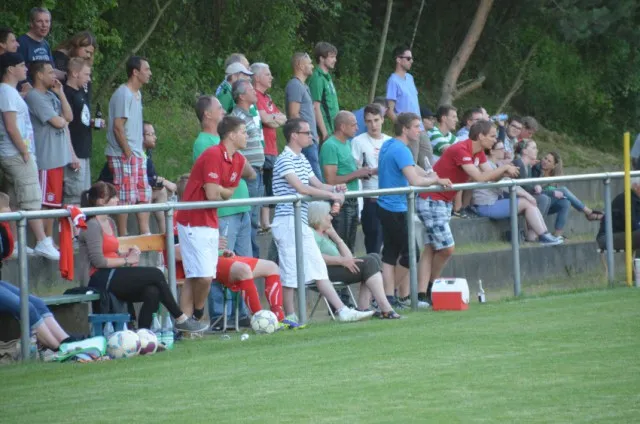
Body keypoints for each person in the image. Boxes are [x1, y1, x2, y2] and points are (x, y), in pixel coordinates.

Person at [271, 118, 374, 323]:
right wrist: (331, 195)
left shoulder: (301, 158)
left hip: (299, 220)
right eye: (306, 133)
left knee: (318, 266)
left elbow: (317, 184)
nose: (311, 136)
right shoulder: (284, 159)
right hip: (287, 220)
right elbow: (301, 188)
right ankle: (289, 316)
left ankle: (342, 310)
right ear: (294, 135)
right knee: (290, 270)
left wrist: (335, 189)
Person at [79, 181, 207, 332]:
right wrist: (127, 260)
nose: (117, 200)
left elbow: (112, 252)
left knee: (153, 291)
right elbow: (99, 262)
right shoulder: (92, 225)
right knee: (156, 274)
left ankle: (143, 334)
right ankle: (180, 318)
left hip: (113, 274)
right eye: (113, 197)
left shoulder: (110, 222)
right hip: (99, 277)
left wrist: (127, 254)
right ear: (101, 201)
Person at [417, 121, 519, 305]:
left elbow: (490, 176)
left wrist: (503, 173)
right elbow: (480, 177)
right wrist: (504, 168)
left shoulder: (478, 153)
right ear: (480, 136)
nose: (495, 139)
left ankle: (421, 295)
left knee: (431, 247)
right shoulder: (461, 150)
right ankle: (432, 286)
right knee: (447, 248)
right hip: (431, 200)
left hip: (443, 201)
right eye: (492, 136)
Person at [377, 112, 452, 308]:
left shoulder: (389, 144)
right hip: (394, 209)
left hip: (386, 206)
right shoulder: (401, 149)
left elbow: (412, 168)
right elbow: (415, 180)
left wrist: (430, 175)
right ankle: (385, 296)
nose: (420, 130)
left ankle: (388, 298)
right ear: (405, 129)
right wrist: (434, 180)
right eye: (416, 127)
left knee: (390, 255)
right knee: (411, 254)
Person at [176, 116, 248, 320]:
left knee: (196, 276)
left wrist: (219, 189)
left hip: (210, 221)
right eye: (243, 132)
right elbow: (211, 195)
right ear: (231, 135)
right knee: (204, 276)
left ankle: (187, 325)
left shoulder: (239, 160)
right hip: (192, 221)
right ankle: (198, 312)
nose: (247, 136)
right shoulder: (213, 154)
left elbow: (228, 193)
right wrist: (218, 190)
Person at [191, 96, 255, 325]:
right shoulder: (204, 143)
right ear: (207, 114)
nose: (224, 111)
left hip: (241, 207)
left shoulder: (229, 145)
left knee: (244, 263)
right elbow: (213, 183)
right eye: (219, 108)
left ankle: (241, 314)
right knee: (220, 264)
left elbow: (250, 172)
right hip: (224, 213)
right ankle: (220, 315)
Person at [0, 52, 58, 259]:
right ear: (10, 69)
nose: (26, 69)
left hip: (15, 153)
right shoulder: (6, 92)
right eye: (22, 65)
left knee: (15, 200)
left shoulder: (10, 92)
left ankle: (14, 243)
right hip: (16, 154)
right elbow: (10, 126)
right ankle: (42, 241)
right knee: (32, 197)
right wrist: (24, 151)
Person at [307, 201, 401, 319]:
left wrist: (335, 236)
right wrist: (341, 261)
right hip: (323, 273)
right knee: (370, 262)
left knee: (374, 257)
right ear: (319, 216)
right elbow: (314, 256)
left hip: (334, 269)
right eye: (328, 214)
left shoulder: (325, 235)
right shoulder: (311, 234)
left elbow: (349, 257)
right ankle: (385, 308)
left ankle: (364, 308)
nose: (331, 217)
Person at [472, 140, 562, 245]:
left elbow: (507, 182)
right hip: (486, 205)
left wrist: (527, 195)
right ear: (492, 152)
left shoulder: (494, 165)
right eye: (501, 149)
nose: (504, 151)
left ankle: (544, 235)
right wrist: (527, 195)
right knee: (528, 202)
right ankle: (543, 236)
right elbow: (503, 184)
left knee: (530, 202)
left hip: (493, 203)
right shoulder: (487, 165)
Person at [25, 60, 77, 238]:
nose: (55, 76)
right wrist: (62, 120)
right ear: (39, 75)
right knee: (46, 202)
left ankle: (49, 239)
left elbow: (69, 117)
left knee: (53, 202)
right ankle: (44, 240)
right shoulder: (34, 96)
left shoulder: (52, 95)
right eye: (50, 73)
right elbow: (58, 122)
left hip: (58, 158)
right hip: (47, 158)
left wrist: (61, 93)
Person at [105, 56, 152, 236]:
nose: (150, 73)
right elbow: (118, 127)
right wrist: (128, 152)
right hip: (123, 154)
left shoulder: (137, 94)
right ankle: (123, 236)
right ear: (135, 72)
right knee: (125, 196)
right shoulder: (123, 94)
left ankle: (145, 234)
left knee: (143, 194)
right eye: (146, 69)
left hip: (137, 153)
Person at [320, 111, 372, 251]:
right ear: (342, 127)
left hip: (352, 198)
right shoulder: (330, 145)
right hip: (339, 202)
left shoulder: (348, 144)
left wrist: (361, 173)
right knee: (340, 246)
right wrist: (357, 173)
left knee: (350, 245)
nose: (357, 128)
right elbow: (330, 180)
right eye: (353, 125)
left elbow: (348, 172)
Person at [230, 79, 265, 257]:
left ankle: (253, 257)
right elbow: (234, 147)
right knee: (249, 219)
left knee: (254, 219)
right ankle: (251, 258)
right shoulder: (236, 118)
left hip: (257, 172)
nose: (255, 91)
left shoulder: (249, 115)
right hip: (248, 175)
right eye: (251, 89)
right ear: (242, 96)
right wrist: (248, 169)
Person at [351, 103, 391, 254]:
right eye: (369, 121)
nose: (373, 125)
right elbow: (354, 170)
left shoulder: (390, 141)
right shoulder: (358, 141)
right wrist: (372, 171)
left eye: (376, 120)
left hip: (389, 197)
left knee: (392, 244)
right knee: (374, 242)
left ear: (382, 119)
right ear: (364, 122)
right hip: (370, 197)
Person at [251, 62, 287, 233]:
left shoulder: (267, 98)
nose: (271, 77)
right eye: (267, 74)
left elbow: (283, 118)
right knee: (261, 183)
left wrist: (272, 119)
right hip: (262, 148)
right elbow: (265, 119)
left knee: (268, 184)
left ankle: (265, 222)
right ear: (257, 78)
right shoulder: (255, 96)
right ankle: (259, 221)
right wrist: (272, 119)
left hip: (272, 148)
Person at [513, 140, 570, 237]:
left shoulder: (528, 166)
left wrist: (538, 188)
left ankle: (554, 234)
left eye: (549, 161)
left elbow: (529, 185)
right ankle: (537, 234)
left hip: (528, 195)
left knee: (565, 202)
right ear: (525, 151)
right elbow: (525, 186)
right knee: (546, 197)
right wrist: (546, 191)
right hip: (517, 197)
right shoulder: (520, 163)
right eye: (534, 148)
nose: (537, 150)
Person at [533, 151, 603, 222]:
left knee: (566, 202)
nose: (545, 161)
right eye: (545, 158)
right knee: (563, 190)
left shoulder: (553, 177)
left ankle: (558, 230)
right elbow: (534, 188)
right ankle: (588, 212)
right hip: (537, 199)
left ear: (553, 166)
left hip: (547, 202)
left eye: (549, 161)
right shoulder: (536, 168)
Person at [285, 52, 322, 180]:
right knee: (315, 180)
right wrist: (306, 136)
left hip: (310, 139)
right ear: (300, 65)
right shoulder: (295, 85)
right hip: (305, 141)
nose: (312, 66)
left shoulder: (303, 86)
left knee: (314, 179)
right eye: (310, 63)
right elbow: (294, 114)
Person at [62, 57, 93, 205]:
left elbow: (80, 118)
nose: (89, 78)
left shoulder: (81, 92)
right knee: (73, 197)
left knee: (84, 195)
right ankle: (69, 221)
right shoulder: (66, 94)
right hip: (74, 153)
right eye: (86, 74)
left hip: (84, 151)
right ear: (75, 73)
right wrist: (71, 154)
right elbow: (65, 126)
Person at [142, 121, 177, 234]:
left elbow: (151, 176)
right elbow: (141, 179)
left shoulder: (147, 153)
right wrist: (164, 182)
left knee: (162, 191)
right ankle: (147, 234)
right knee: (151, 191)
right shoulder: (135, 154)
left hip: (140, 190)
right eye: (151, 134)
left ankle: (166, 237)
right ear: (141, 137)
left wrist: (161, 182)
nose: (155, 137)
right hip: (123, 193)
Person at [17, 7, 64, 81]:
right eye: (39, 21)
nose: (44, 25)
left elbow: (52, 70)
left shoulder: (46, 44)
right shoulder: (22, 42)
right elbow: (16, 71)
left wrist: (69, 75)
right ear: (31, 23)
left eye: (47, 21)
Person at [596, 177, 640, 250]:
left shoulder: (636, 200)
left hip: (624, 234)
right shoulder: (625, 199)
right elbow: (633, 225)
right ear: (635, 186)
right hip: (607, 237)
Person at [308, 42, 340, 142]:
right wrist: (324, 133)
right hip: (325, 133)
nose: (335, 60)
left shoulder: (327, 77)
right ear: (322, 58)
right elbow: (315, 107)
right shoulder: (317, 78)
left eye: (335, 57)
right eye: (332, 57)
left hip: (333, 130)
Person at [386, 46, 421, 127]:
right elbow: (389, 111)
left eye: (412, 58)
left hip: (419, 127)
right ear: (398, 59)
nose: (411, 61)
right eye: (408, 58)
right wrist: (403, 127)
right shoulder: (393, 81)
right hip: (407, 130)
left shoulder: (410, 78)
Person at [412, 105, 436, 171]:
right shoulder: (419, 134)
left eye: (433, 119)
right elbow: (413, 159)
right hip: (424, 173)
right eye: (430, 118)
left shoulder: (424, 134)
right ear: (421, 119)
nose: (433, 121)